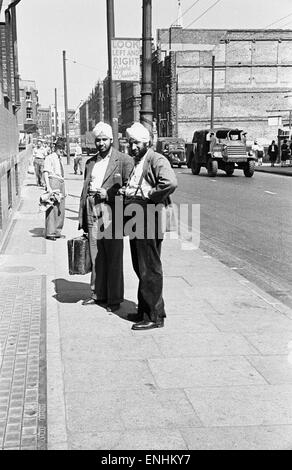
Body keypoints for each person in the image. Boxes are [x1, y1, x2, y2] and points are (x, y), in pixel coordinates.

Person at [124, 122, 177, 331]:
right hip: (137, 217)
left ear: (147, 142)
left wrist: (150, 194)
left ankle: (154, 317)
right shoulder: (139, 160)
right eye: (130, 143)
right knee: (140, 266)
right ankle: (145, 310)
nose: (133, 147)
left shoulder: (156, 159)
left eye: (136, 143)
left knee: (150, 268)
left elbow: (170, 183)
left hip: (149, 217)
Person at [78, 122, 133, 312]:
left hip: (112, 212)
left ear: (111, 140)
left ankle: (114, 299)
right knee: (96, 255)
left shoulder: (124, 161)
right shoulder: (90, 162)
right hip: (92, 209)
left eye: (104, 140)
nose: (101, 143)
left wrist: (109, 195)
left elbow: (130, 190)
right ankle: (97, 293)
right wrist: (83, 217)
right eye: (98, 140)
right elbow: (85, 190)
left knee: (113, 255)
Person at [43, 141, 66, 241]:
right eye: (59, 148)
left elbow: (62, 175)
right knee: (52, 207)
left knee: (61, 208)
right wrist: (48, 187)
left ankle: (57, 231)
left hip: (61, 182)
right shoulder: (50, 158)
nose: (61, 150)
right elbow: (46, 172)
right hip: (53, 181)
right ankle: (50, 232)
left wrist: (66, 188)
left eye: (63, 148)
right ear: (55, 148)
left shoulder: (59, 158)